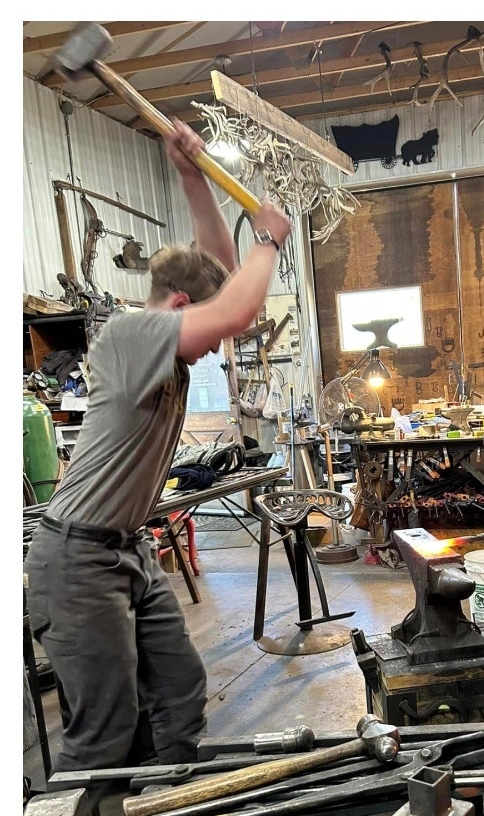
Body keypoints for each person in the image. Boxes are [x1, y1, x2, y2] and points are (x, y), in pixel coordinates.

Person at [24, 122, 293, 776]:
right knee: (104, 732)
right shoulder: (131, 332)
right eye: (199, 328)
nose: (214, 348)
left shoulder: (159, 345)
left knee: (177, 693)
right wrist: (268, 240)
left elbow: (222, 286)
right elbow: (231, 309)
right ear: (175, 308)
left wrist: (191, 176)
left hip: (127, 549)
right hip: (79, 559)